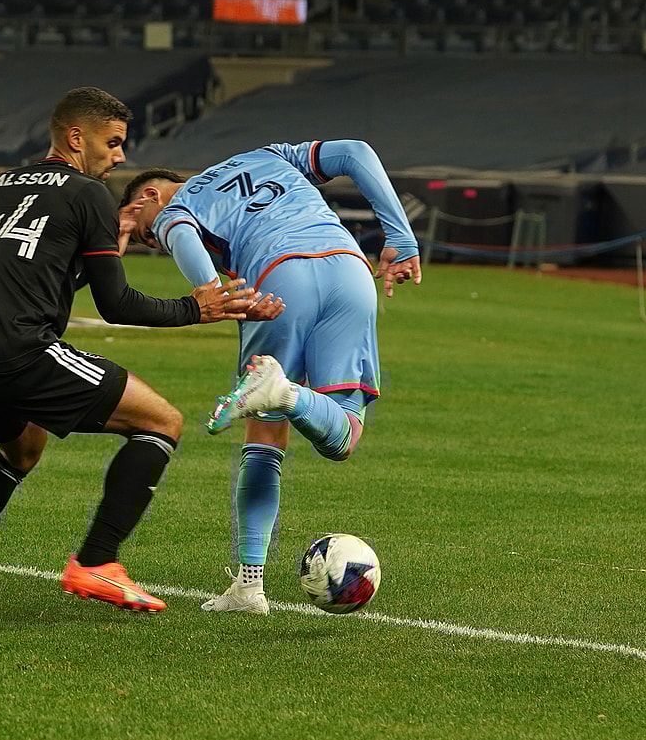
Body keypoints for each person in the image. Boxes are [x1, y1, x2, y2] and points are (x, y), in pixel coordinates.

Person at [0, 87, 282, 614]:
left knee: (21, 452)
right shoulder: (88, 193)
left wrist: (111, 242)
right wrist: (194, 309)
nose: (120, 155)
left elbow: (41, 280)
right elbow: (117, 305)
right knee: (161, 422)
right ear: (76, 137)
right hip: (21, 351)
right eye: (112, 142)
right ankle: (96, 561)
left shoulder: (0, 185)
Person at [119, 139, 422, 614]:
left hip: (278, 280)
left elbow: (176, 230)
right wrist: (401, 238)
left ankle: (248, 586)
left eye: (142, 234)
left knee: (264, 438)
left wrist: (212, 292)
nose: (149, 242)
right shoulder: (268, 155)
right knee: (344, 437)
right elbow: (357, 152)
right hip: (350, 270)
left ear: (149, 197)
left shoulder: (177, 204)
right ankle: (290, 396)